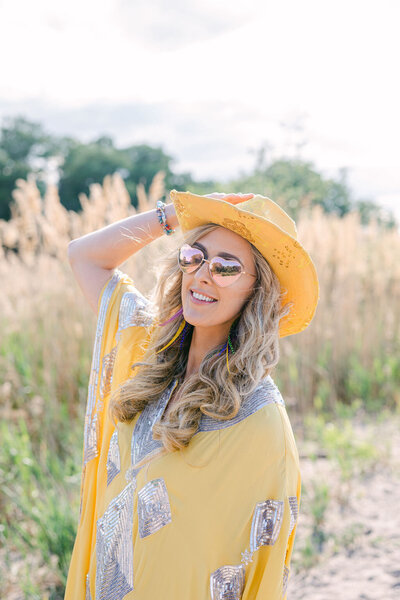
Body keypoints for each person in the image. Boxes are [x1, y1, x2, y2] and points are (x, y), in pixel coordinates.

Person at [65, 189, 319, 600]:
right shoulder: (148, 348)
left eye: (226, 268)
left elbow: (260, 562)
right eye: (193, 257)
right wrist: (172, 216)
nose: (202, 274)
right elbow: (83, 255)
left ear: (257, 291)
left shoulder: (257, 414)